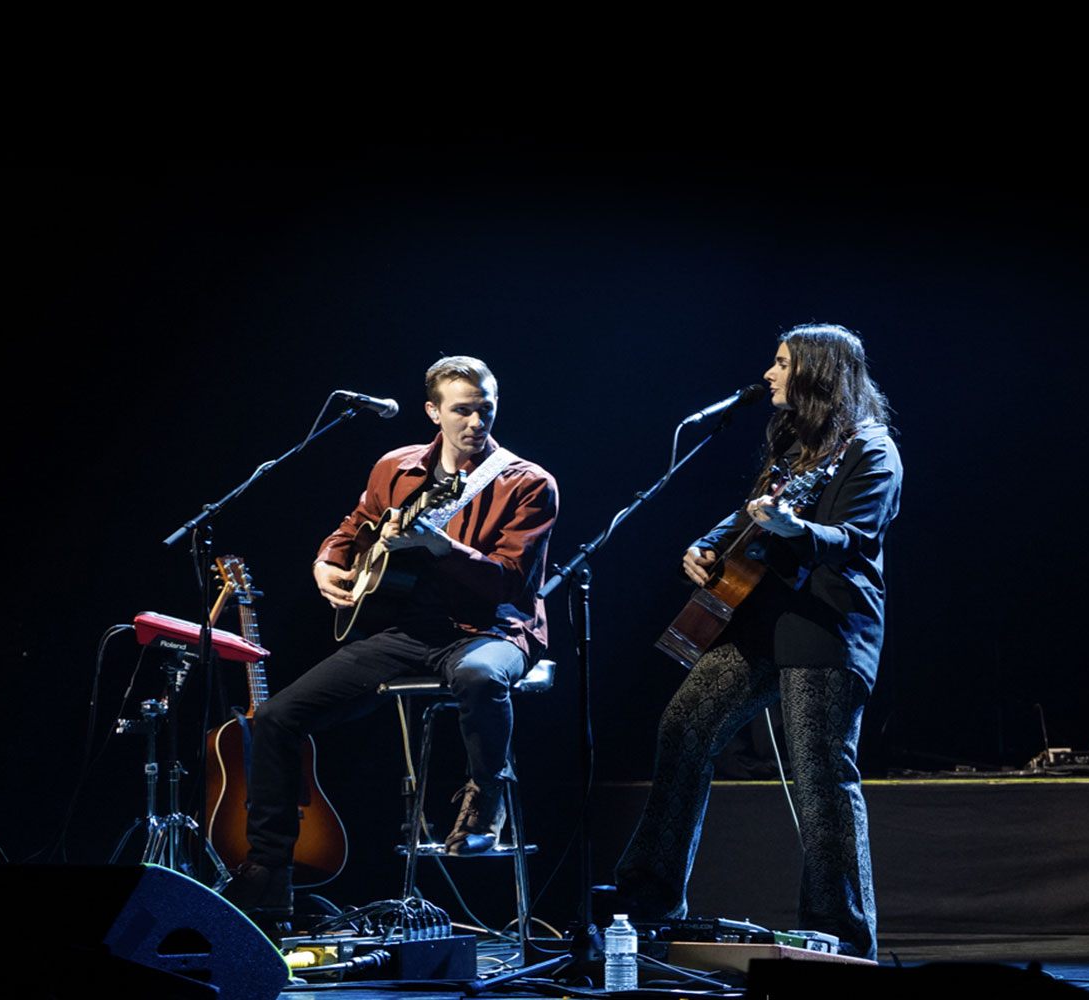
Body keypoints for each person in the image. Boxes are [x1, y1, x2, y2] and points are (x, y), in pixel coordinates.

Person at [226, 356, 558, 925]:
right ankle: (268, 872)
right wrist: (327, 562)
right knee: (277, 716)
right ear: (433, 411)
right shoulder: (397, 468)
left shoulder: (527, 482)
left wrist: (442, 549)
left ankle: (485, 801)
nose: (476, 421)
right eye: (463, 410)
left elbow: (512, 580)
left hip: (496, 628)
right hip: (409, 632)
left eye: (486, 409)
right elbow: (355, 525)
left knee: (479, 676)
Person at [615, 323, 900, 959]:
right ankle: (648, 900)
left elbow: (853, 539)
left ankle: (842, 937)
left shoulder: (873, 450)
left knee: (821, 778)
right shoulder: (795, 442)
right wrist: (708, 543)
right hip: (757, 622)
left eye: (780, 363)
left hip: (827, 626)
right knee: (684, 727)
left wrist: (793, 524)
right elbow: (751, 508)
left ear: (817, 373)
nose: (769, 374)